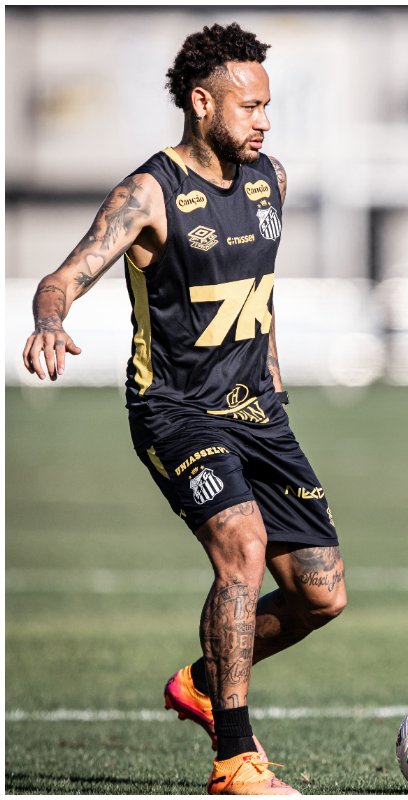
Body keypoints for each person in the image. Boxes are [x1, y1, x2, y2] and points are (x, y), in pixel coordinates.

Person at [22, 22, 346, 795]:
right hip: (175, 412)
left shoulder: (273, 181)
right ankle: (235, 760)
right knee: (241, 544)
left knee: (321, 595)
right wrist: (48, 320)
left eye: (268, 105)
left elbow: (260, 301)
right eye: (249, 106)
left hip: (261, 411)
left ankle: (204, 680)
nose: (264, 120)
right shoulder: (149, 193)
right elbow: (61, 279)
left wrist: (276, 388)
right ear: (202, 104)